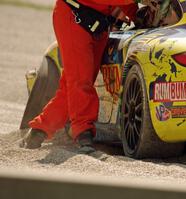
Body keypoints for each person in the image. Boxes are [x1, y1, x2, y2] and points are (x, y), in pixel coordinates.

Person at [20, 0, 140, 154]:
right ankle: (84, 134)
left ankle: (39, 130)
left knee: (76, 82)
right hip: (73, 16)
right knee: (80, 81)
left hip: (97, 22)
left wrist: (138, 15)